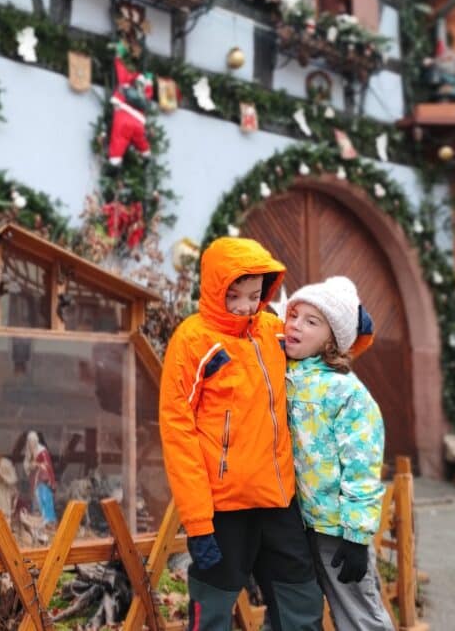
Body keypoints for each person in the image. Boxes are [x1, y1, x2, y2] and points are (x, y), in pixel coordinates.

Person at [160, 237, 322, 631]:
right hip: (224, 508)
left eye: (255, 295)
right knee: (214, 611)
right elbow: (178, 435)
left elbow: (323, 341)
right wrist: (198, 524)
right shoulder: (193, 340)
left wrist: (353, 331)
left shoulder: (272, 330)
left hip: (280, 499)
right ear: (216, 288)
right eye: (235, 296)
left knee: (300, 601)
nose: (247, 306)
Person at [284, 276, 393, 631]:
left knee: (358, 615)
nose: (296, 325)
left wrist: (357, 536)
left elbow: (361, 467)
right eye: (294, 315)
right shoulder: (283, 373)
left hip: (338, 530)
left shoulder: (346, 393)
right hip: (296, 524)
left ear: (332, 340)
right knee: (291, 610)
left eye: (311, 321)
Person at [23, 430, 57, 527]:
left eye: (33, 441)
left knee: (45, 497)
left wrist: (37, 465)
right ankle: (38, 519)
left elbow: (47, 465)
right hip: (34, 479)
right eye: (30, 442)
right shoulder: (29, 452)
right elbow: (26, 464)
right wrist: (30, 466)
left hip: (43, 480)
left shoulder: (42, 451)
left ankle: (48, 520)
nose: (32, 444)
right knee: (36, 498)